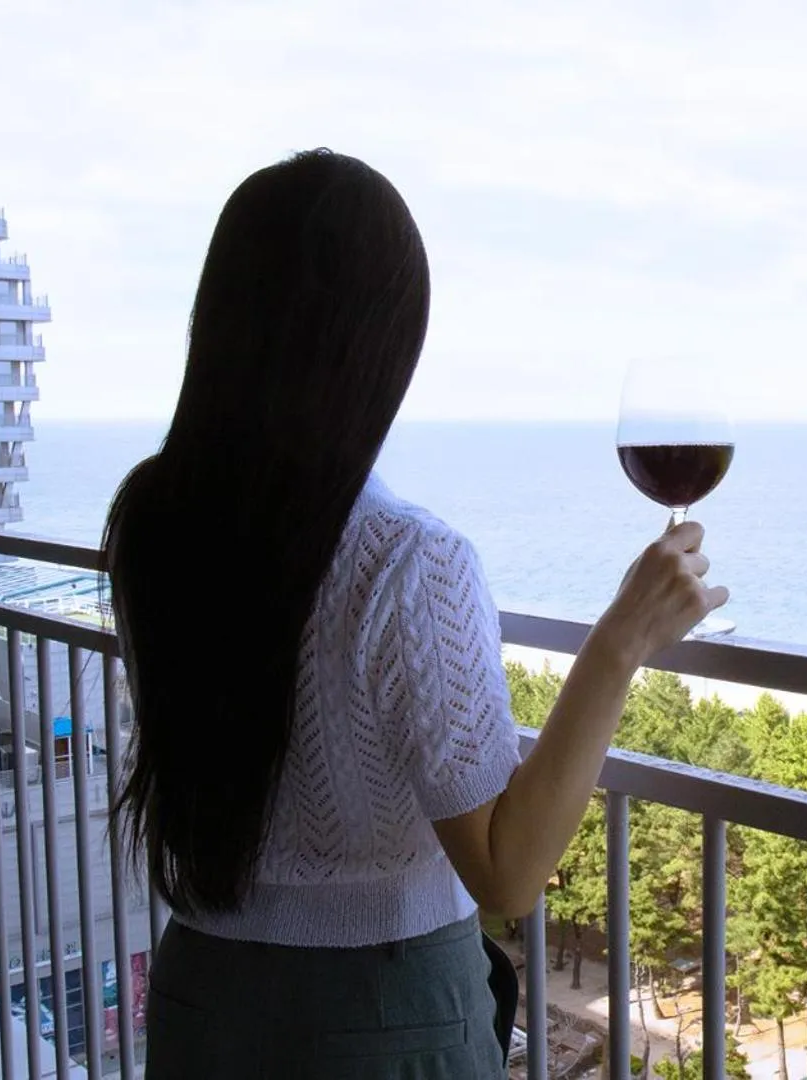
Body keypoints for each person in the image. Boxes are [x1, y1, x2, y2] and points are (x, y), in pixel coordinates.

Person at [104, 148, 727, 1079]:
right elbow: (507, 873)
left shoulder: (151, 518)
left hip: (203, 994)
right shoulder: (408, 559)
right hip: (380, 1018)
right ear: (381, 343)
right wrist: (620, 640)